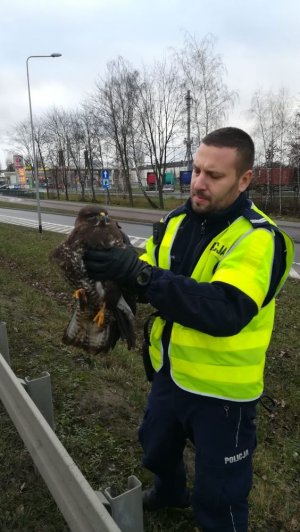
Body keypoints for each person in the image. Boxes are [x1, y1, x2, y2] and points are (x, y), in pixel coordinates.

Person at [84, 127, 294, 532]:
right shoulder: (176, 220)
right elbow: (153, 271)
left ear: (244, 179)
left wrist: (142, 276)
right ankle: (170, 493)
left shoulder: (258, 238)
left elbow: (224, 309)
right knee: (156, 448)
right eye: (196, 170)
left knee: (220, 495)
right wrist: (117, 266)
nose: (198, 182)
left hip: (224, 392)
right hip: (171, 371)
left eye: (213, 176)